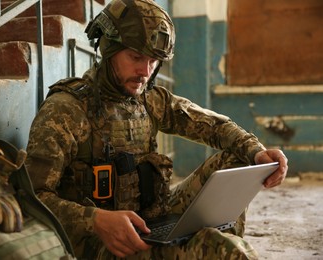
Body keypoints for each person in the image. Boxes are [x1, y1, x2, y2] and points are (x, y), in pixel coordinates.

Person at [25, 0, 288, 259]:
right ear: (108, 48)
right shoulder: (66, 110)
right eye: (136, 57)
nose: (145, 71)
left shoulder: (149, 99)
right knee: (220, 249)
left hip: (152, 222)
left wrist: (256, 152)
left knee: (240, 160)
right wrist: (97, 220)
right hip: (103, 243)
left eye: (153, 61)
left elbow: (215, 126)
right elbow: (31, 198)